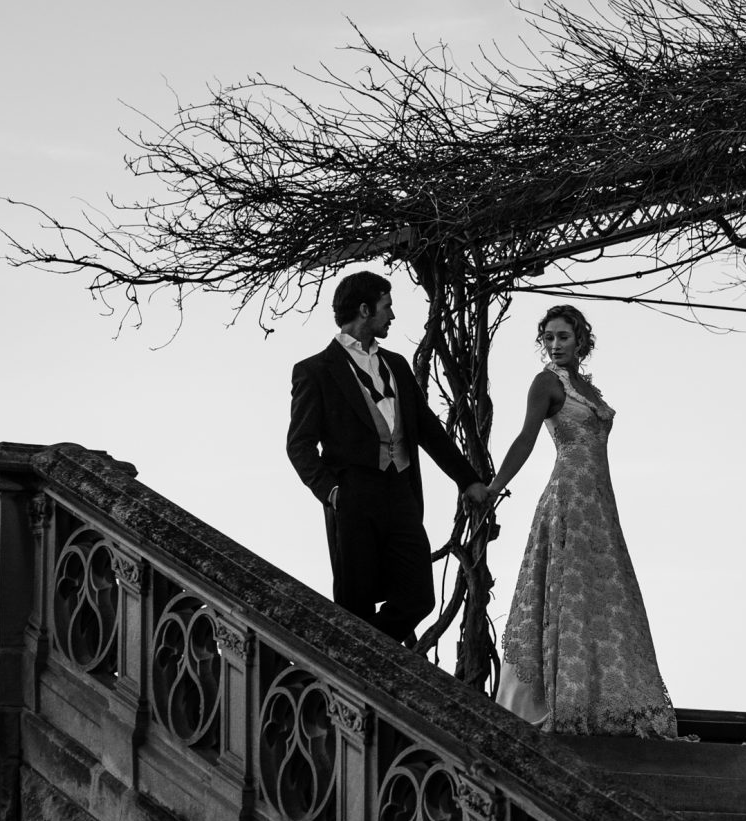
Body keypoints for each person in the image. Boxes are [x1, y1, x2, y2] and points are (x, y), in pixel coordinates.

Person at [471, 304, 678, 738]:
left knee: (603, 596)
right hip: (568, 498)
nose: (555, 344)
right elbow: (526, 437)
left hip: (599, 503)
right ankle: (560, 700)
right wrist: (494, 487)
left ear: (581, 340)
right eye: (548, 337)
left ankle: (603, 700)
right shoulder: (547, 382)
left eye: (563, 336)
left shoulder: (587, 386)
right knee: (566, 593)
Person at [286, 271, 487, 645]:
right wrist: (332, 492)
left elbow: (428, 430)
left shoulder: (397, 364)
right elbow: (299, 445)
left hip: (401, 492)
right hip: (352, 497)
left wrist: (468, 478)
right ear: (365, 310)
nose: (392, 315)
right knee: (355, 604)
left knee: (418, 598)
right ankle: (357, 662)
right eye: (387, 306)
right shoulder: (314, 371)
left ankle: (352, 651)